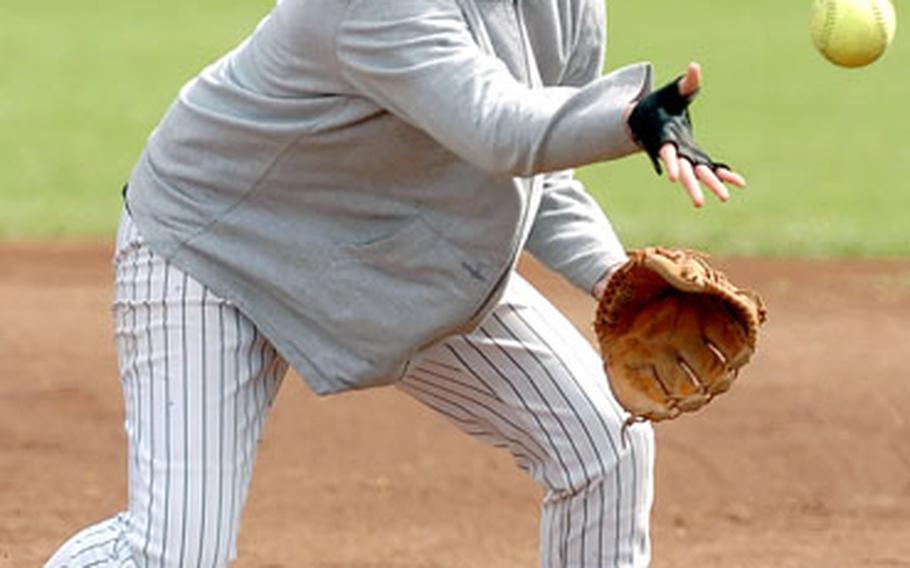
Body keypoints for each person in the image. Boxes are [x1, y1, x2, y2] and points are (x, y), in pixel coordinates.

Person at [46, 0, 746, 566]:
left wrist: (610, 274)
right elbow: (502, 132)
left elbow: (537, 169)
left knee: (605, 446)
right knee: (172, 555)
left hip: (382, 247)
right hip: (219, 246)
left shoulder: (566, 6)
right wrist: (633, 120)